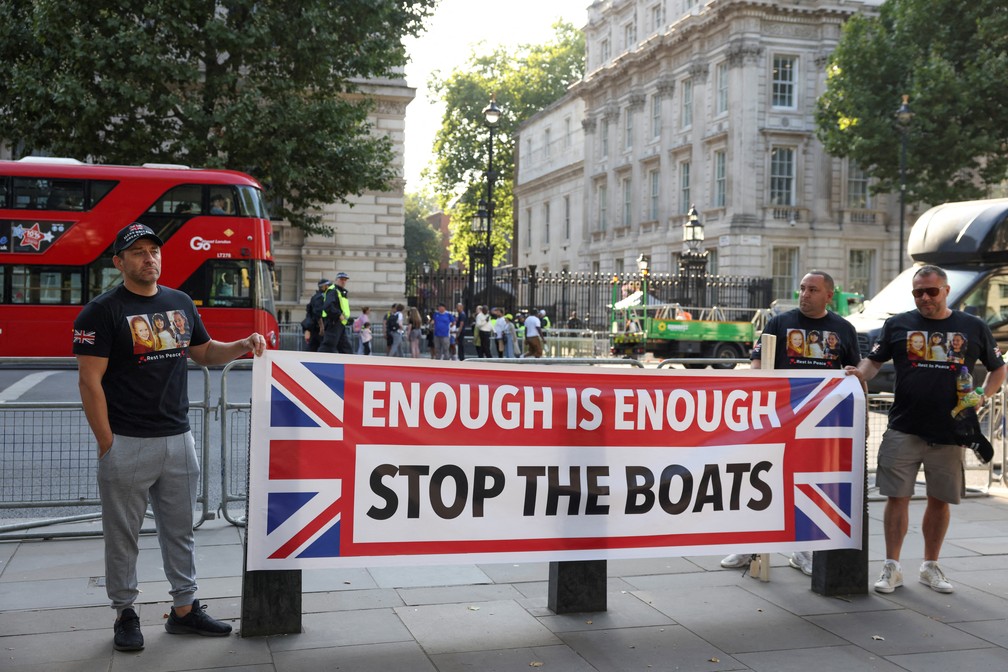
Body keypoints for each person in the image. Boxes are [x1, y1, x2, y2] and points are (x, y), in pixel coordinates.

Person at [73, 222, 266, 652]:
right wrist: (108, 444)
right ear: (119, 262)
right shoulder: (100, 312)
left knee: (180, 531)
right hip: (126, 441)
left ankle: (184, 610)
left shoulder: (179, 303)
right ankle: (125, 613)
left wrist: (240, 345)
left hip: (179, 439)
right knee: (122, 537)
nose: (148, 258)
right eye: (138, 252)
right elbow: (90, 382)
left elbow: (203, 352)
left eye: (154, 251)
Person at [847, 265, 1006, 595]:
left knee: (939, 501)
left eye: (931, 291)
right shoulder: (898, 324)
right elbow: (874, 362)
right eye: (918, 292)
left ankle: (930, 565)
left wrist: (982, 395)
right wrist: (858, 374)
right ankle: (892, 567)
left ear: (946, 290)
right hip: (904, 426)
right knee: (897, 498)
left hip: (951, 430)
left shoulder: (973, 326)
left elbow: (998, 368)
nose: (924, 297)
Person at [721, 270, 861, 576]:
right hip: (779, 419)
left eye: (812, 289)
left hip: (818, 422)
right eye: (802, 288)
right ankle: (750, 547)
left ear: (828, 295)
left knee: (807, 484)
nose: (805, 294)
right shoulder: (780, 323)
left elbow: (853, 371)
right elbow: (757, 362)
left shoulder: (843, 329)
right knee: (762, 482)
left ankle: (803, 550)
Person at [318, 272, 352, 354]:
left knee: (345, 348)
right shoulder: (333, 291)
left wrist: (347, 319)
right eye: (341, 279)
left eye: (345, 280)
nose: (343, 281)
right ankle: (318, 362)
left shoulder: (340, 292)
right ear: (336, 280)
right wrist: (339, 315)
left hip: (339, 323)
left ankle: (349, 364)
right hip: (333, 322)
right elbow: (328, 306)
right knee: (328, 347)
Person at [302, 279, 328, 352]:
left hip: (315, 327)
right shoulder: (320, 297)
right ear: (323, 287)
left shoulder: (316, 296)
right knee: (320, 347)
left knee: (313, 347)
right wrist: (322, 327)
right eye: (327, 285)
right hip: (318, 328)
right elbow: (317, 313)